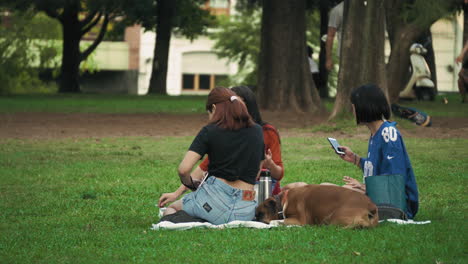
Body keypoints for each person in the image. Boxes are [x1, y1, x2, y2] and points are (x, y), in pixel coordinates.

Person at [158, 86, 284, 209]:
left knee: (173, 210)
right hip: (246, 202)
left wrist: (270, 164)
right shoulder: (256, 131)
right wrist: (177, 193)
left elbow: (184, 169)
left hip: (245, 193)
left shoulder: (214, 132)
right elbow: (202, 169)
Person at [337, 84, 419, 219]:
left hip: (397, 206)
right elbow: (376, 169)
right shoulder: (376, 133)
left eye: (354, 105)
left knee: (337, 194)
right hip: (380, 197)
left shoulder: (388, 134)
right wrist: (355, 159)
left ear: (364, 106)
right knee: (326, 188)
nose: (353, 110)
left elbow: (394, 181)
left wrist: (365, 188)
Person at [325, 1, 344, 71]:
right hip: (346, 54)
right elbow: (330, 36)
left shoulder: (366, 9)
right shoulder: (337, 10)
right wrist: (328, 59)